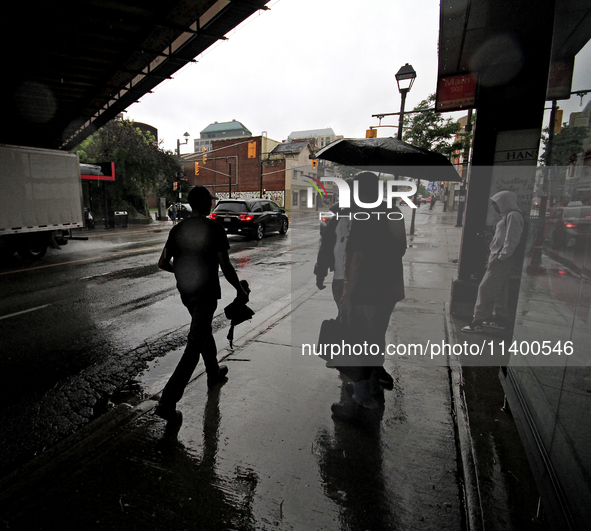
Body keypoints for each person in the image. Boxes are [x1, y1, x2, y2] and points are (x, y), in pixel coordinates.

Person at [155, 185, 249, 430]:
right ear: (205, 203)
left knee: (202, 330)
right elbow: (225, 266)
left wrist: (183, 271)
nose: (211, 204)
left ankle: (213, 372)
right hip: (206, 292)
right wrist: (239, 290)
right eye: (210, 201)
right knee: (195, 342)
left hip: (186, 292)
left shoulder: (177, 230)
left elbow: (163, 262)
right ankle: (167, 402)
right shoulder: (215, 229)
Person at [329, 172, 407, 423]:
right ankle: (372, 385)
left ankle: (362, 399)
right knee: (375, 338)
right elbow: (401, 247)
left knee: (358, 342)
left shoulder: (363, 216)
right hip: (389, 288)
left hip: (366, 290)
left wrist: (348, 296)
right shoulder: (392, 211)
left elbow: (358, 258)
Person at [462, 190, 525, 333]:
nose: (495, 207)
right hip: (500, 256)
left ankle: (477, 320)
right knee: (500, 289)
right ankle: (500, 318)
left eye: (496, 204)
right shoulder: (508, 216)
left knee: (485, 288)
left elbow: (512, 240)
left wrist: (502, 256)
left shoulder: (513, 216)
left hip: (501, 258)